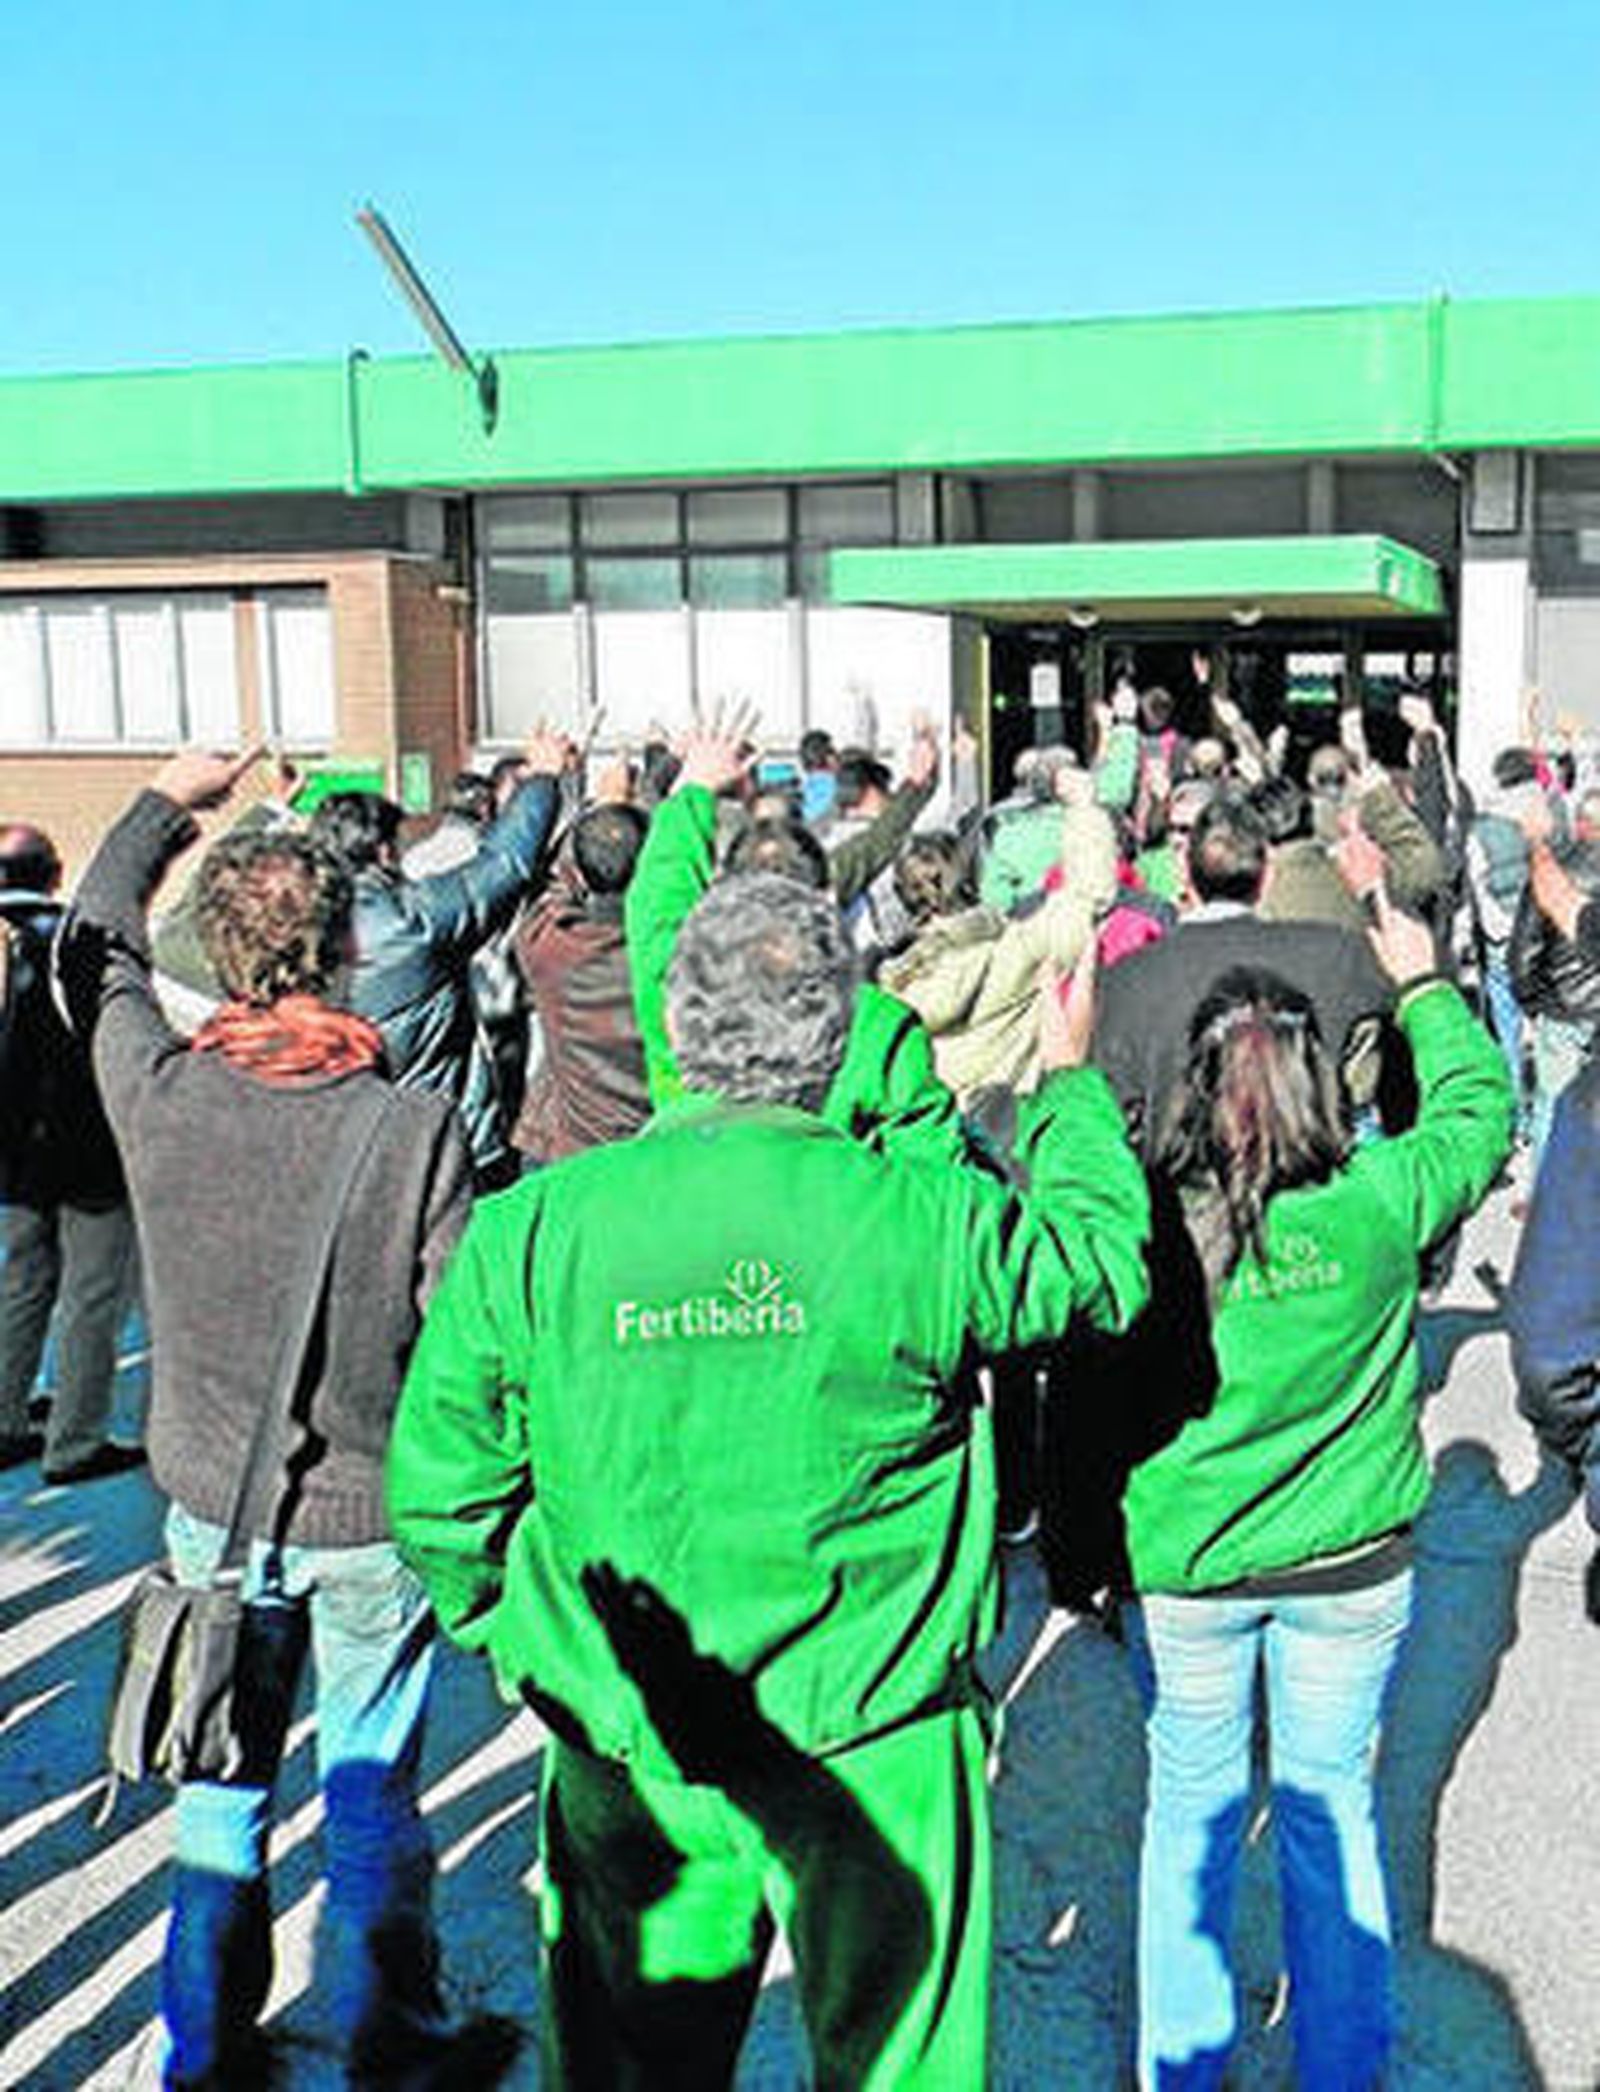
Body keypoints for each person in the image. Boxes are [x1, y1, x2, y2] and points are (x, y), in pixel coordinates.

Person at [386, 872, 1151, 2089]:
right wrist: (1066, 1085)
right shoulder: (921, 1216)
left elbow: (440, 1494)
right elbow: (1101, 1263)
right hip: (876, 1725)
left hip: (635, 1731)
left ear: (674, 1025)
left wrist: (540, 1644)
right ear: (838, 1033)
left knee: (633, 2071)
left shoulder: (534, 1228)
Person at [58, 750, 505, 2092]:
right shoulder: (413, 1128)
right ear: (345, 949)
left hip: (218, 1506)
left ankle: (204, 2046)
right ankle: (387, 2038)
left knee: (220, 1787)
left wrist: (167, 799)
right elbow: (458, 1338)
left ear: (218, 950)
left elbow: (91, 945)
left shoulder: (159, 1094)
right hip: (370, 1512)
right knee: (369, 1791)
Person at [1116, 892, 1512, 2089]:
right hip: (1350, 1565)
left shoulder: (1147, 1226)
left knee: (1189, 1815)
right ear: (1320, 1085)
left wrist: (1066, 1066)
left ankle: (1184, 2067)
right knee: (1328, 1804)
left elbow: (1059, 1162)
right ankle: (1342, 2067)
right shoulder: (1380, 1201)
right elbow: (1479, 1108)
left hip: (1189, 1566)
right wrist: (1425, 984)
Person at [308, 730, 568, 1188]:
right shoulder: (410, 922)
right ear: (383, 851)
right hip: (442, 1141)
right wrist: (544, 778)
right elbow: (504, 865)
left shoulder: (291, 926)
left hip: (345, 1146)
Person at [0, 822, 140, 1481]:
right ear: (54, 873)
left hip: (12, 1155)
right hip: (85, 1151)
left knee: (21, 1283)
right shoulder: (73, 940)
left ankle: (5, 1416)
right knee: (92, 1293)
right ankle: (76, 1440)